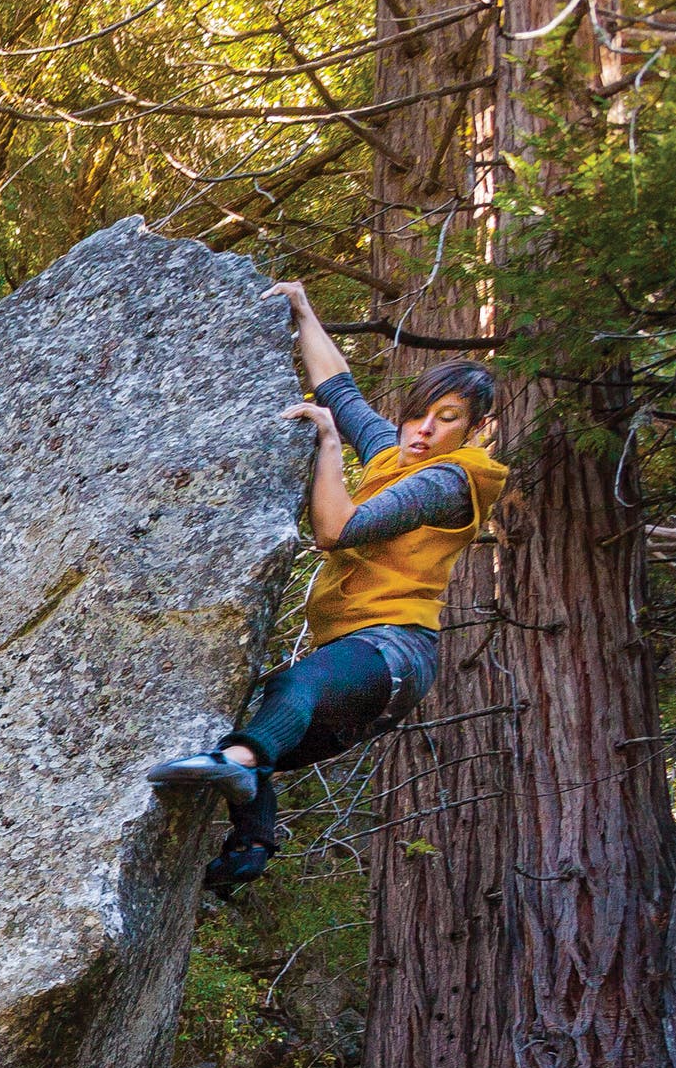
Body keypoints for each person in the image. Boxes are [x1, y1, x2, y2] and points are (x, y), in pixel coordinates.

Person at [149, 281, 509, 893]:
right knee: (258, 724)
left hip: (393, 652)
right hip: (361, 682)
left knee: (283, 699)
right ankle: (250, 847)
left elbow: (337, 530)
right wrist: (303, 310)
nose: (421, 430)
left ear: (474, 429)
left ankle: (235, 764)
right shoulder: (397, 457)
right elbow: (339, 388)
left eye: (445, 420)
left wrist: (328, 444)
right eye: (415, 414)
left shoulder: (449, 482)